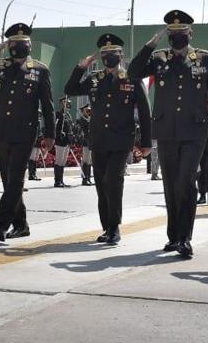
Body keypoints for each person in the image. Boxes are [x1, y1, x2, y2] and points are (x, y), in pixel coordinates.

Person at [128, 10, 208, 259]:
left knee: (185, 181)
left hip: (194, 130)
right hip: (166, 130)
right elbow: (133, 71)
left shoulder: (204, 59)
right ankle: (173, 236)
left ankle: (185, 237)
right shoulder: (159, 57)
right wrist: (151, 43)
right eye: (172, 33)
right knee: (170, 185)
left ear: (190, 33)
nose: (177, 37)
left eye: (181, 33)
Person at [0, 22, 55, 242]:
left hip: (24, 133)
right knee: (9, 182)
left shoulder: (39, 69)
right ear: (9, 45)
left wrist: (50, 134)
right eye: (14, 43)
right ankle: (21, 225)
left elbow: (47, 105)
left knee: (16, 179)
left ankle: (1, 224)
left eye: (23, 42)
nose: (19, 46)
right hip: (1, 131)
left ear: (30, 45)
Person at [65, 33, 151, 246]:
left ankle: (114, 227)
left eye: (112, 53)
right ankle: (107, 227)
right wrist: (81, 68)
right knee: (101, 185)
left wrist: (147, 143)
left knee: (113, 181)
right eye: (104, 53)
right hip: (99, 140)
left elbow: (144, 110)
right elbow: (70, 90)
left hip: (122, 140)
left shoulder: (132, 78)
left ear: (121, 55)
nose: (108, 57)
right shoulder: (94, 78)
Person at [53, 97, 73, 188]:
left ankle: (61, 180)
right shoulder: (59, 114)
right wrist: (59, 133)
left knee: (63, 161)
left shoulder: (68, 115)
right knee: (59, 160)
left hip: (67, 141)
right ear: (62, 104)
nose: (68, 105)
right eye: (66, 103)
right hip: (60, 140)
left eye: (68, 103)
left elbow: (70, 128)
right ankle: (57, 181)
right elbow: (55, 126)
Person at [76, 104, 93, 186]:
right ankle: (84, 179)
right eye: (86, 110)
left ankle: (88, 178)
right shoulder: (81, 120)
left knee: (89, 161)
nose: (88, 112)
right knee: (86, 160)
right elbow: (80, 132)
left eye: (89, 110)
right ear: (83, 111)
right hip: (86, 142)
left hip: (91, 142)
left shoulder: (90, 119)